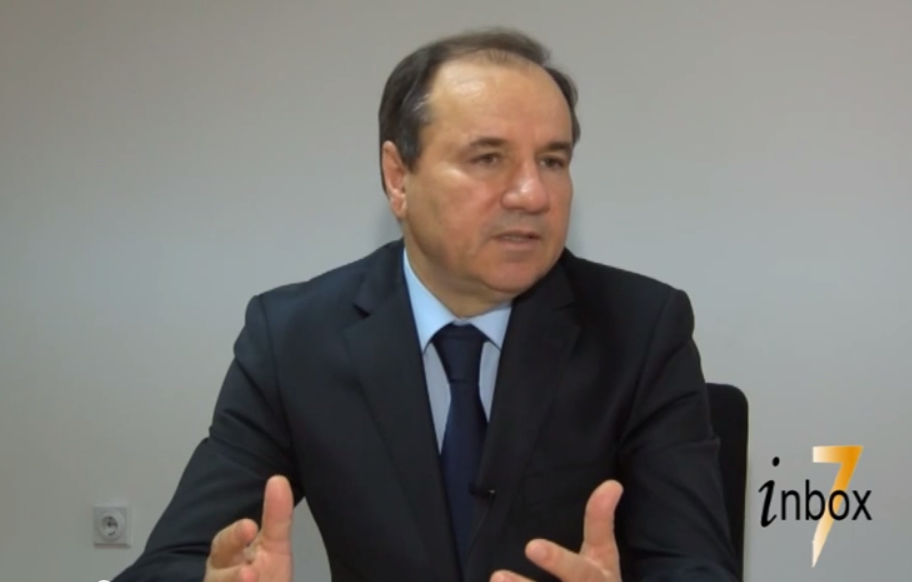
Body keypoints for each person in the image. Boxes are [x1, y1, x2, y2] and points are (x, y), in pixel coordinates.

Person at [111, 27, 740, 582]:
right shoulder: (293, 338)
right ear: (397, 176)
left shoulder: (640, 330)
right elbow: (168, 563)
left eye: (552, 160)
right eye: (489, 158)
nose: (532, 194)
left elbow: (696, 567)